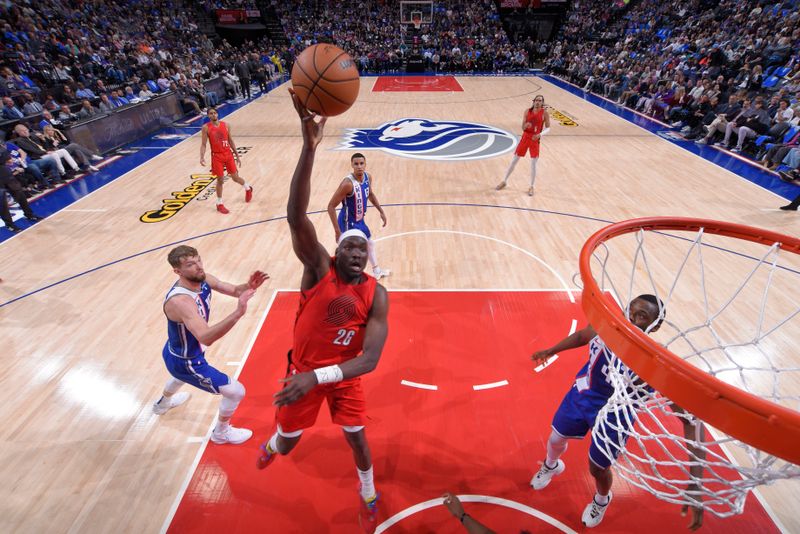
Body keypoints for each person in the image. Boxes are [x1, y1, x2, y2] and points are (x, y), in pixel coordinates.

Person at [256, 89, 390, 533]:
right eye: (347, 244)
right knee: (290, 444)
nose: (355, 249)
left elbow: (369, 360)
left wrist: (322, 377)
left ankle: (368, 489)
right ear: (338, 250)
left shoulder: (377, 294)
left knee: (358, 439)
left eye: (361, 246)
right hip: (303, 373)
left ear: (368, 256)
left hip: (340, 377)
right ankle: (275, 442)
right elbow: (297, 216)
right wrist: (308, 148)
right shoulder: (318, 270)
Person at [530, 295, 705, 529]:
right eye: (629, 311)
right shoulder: (608, 325)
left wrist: (696, 481)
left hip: (616, 415)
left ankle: (602, 500)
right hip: (583, 394)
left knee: (598, 468)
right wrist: (552, 350)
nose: (631, 319)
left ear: (656, 324)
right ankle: (551, 465)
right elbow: (583, 335)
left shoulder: (657, 363)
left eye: (642, 316)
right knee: (555, 437)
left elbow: (690, 420)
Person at [152, 245, 268, 445]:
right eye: (190, 264)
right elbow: (206, 336)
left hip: (176, 349)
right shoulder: (181, 301)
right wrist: (238, 313)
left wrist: (249, 285)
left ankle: (162, 404)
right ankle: (221, 433)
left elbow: (232, 289)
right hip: (187, 360)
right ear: (177, 271)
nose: (198, 266)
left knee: (178, 378)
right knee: (236, 391)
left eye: (198, 260)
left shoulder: (202, 278)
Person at [326, 153, 391, 280]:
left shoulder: (368, 177)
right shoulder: (347, 184)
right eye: (356, 164)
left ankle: (376, 271)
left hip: (360, 220)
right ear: (352, 165)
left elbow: (370, 194)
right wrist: (337, 231)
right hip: (347, 222)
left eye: (361, 163)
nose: (359, 166)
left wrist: (381, 210)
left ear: (365, 164)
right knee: (349, 252)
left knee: (370, 243)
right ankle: (336, 276)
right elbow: (331, 206)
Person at [200, 107, 253, 214]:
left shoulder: (226, 125)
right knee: (220, 180)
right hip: (217, 156)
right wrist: (201, 156)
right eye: (211, 113)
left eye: (215, 113)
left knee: (235, 178)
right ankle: (219, 203)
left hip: (228, 154)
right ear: (208, 116)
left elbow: (230, 141)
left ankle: (248, 188)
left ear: (217, 114)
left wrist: (237, 155)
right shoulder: (206, 127)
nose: (213, 115)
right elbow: (203, 144)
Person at [496, 94, 550, 196]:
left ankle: (531, 186)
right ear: (533, 101)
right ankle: (504, 181)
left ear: (542, 102)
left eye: (540, 100)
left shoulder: (545, 113)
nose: (538, 102)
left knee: (533, 164)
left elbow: (548, 128)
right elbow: (522, 127)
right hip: (525, 137)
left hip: (535, 139)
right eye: (537, 100)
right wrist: (526, 126)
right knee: (514, 161)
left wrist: (540, 134)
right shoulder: (527, 111)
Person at [0, 151, 43, 233]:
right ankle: (10, 225)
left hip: (5, 173)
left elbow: (5, 155)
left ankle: (29, 215)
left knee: (20, 195)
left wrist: (7, 159)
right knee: (2, 204)